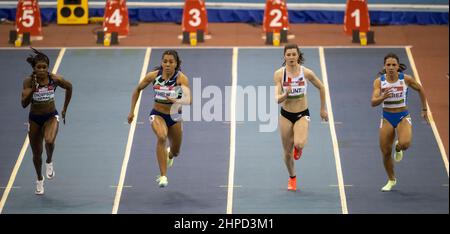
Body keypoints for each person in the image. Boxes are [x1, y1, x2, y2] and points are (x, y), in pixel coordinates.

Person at [128, 50, 191, 188]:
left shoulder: (181, 79)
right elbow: (137, 90)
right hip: (157, 114)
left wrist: (175, 99)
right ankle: (163, 176)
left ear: (176, 64)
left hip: (174, 116)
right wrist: (132, 111)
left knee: (176, 151)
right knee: (162, 137)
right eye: (165, 61)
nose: (167, 64)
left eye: (171, 62)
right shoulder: (153, 76)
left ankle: (170, 155)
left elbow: (189, 100)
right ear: (162, 63)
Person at [371, 53, 429, 192]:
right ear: (384, 67)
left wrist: (424, 109)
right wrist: (382, 97)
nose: (391, 67)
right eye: (388, 65)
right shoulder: (379, 82)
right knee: (385, 152)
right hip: (387, 117)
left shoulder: (406, 79)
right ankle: (391, 180)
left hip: (403, 116)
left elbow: (420, 89)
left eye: (393, 65)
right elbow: (373, 102)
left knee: (405, 144)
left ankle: (398, 147)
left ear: (398, 67)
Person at [274, 44, 329, 191]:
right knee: (286, 153)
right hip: (285, 115)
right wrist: (285, 94)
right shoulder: (279, 74)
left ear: (298, 56)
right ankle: (292, 178)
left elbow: (322, 87)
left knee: (298, 144)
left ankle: (298, 148)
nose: (291, 57)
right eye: (289, 54)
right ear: (284, 56)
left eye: (294, 54)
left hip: (302, 114)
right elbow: (277, 99)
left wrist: (322, 109)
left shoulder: (306, 73)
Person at [21, 48, 72, 195]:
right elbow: (24, 103)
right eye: (39, 67)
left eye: (44, 67)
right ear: (34, 68)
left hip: (51, 116)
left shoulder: (55, 79)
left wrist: (64, 109)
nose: (42, 70)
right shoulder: (28, 81)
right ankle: (39, 179)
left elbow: (70, 87)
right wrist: (33, 89)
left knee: (49, 141)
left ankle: (49, 161)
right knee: (37, 154)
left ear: (48, 68)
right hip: (35, 119)